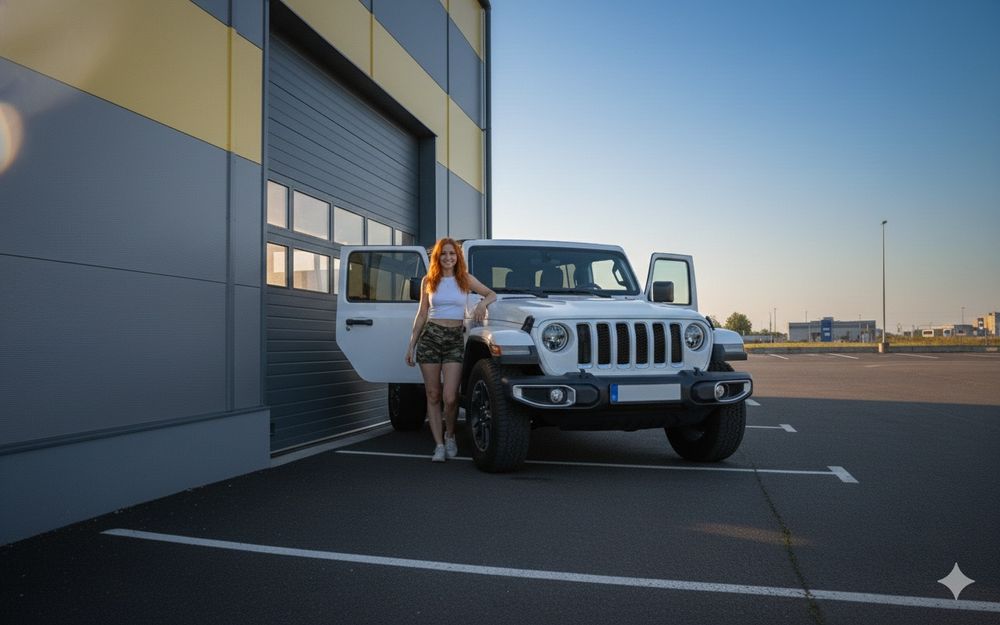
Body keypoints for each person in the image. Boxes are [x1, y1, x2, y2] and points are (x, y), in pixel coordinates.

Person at [406, 238, 496, 462]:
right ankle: (438, 445)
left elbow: (491, 294)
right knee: (433, 394)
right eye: (444, 254)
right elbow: (422, 314)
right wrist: (411, 344)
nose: (448, 258)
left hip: (455, 339)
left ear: (457, 257)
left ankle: (450, 435)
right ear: (437, 257)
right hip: (430, 338)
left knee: (450, 397)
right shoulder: (429, 281)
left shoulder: (464, 279)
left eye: (452, 254)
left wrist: (482, 305)